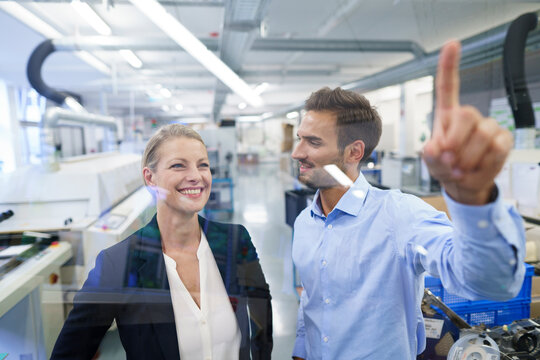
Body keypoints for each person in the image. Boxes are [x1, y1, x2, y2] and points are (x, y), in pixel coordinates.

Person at [290, 40, 525, 359]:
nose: (296, 152)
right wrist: (301, 351)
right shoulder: (305, 222)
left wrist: (474, 200)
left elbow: (491, 283)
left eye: (313, 142)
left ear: (354, 152)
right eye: (299, 139)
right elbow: (312, 301)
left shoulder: (399, 216)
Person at [51, 124, 272, 360]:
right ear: (150, 177)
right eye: (178, 165)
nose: (196, 176)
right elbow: (69, 353)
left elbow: (261, 317)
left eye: (203, 165)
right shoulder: (118, 264)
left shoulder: (235, 241)